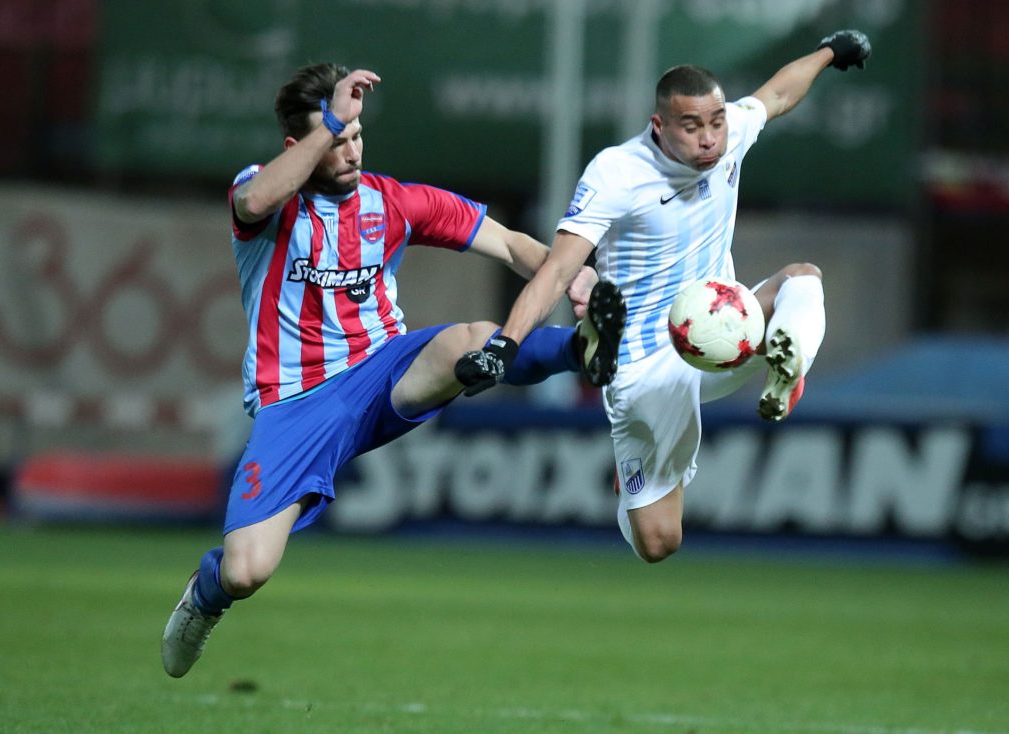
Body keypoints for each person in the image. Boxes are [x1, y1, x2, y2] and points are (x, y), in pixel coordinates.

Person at [160, 63, 626, 678]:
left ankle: (581, 352)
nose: (351, 150)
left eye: (357, 136)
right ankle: (204, 596)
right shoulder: (264, 195)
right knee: (247, 570)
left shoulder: (394, 202)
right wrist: (330, 123)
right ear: (300, 145)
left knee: (471, 341)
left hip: (382, 370)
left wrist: (575, 277)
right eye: (336, 138)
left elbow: (512, 244)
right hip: (295, 403)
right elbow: (254, 201)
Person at [455, 31, 872, 562]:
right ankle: (634, 479)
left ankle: (787, 366)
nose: (709, 139)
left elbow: (777, 94)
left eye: (716, 123)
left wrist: (830, 52)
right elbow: (558, 269)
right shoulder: (617, 173)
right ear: (660, 125)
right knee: (659, 543)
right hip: (644, 363)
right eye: (692, 127)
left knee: (803, 279)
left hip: (726, 330)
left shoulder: (730, 133)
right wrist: (505, 344)